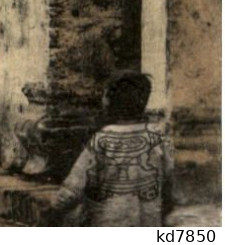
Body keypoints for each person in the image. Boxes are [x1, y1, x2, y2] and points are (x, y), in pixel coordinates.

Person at [45, 71, 172, 226]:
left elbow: (73, 189)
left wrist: (52, 211)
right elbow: (169, 178)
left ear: (112, 102)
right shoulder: (157, 136)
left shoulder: (102, 139)